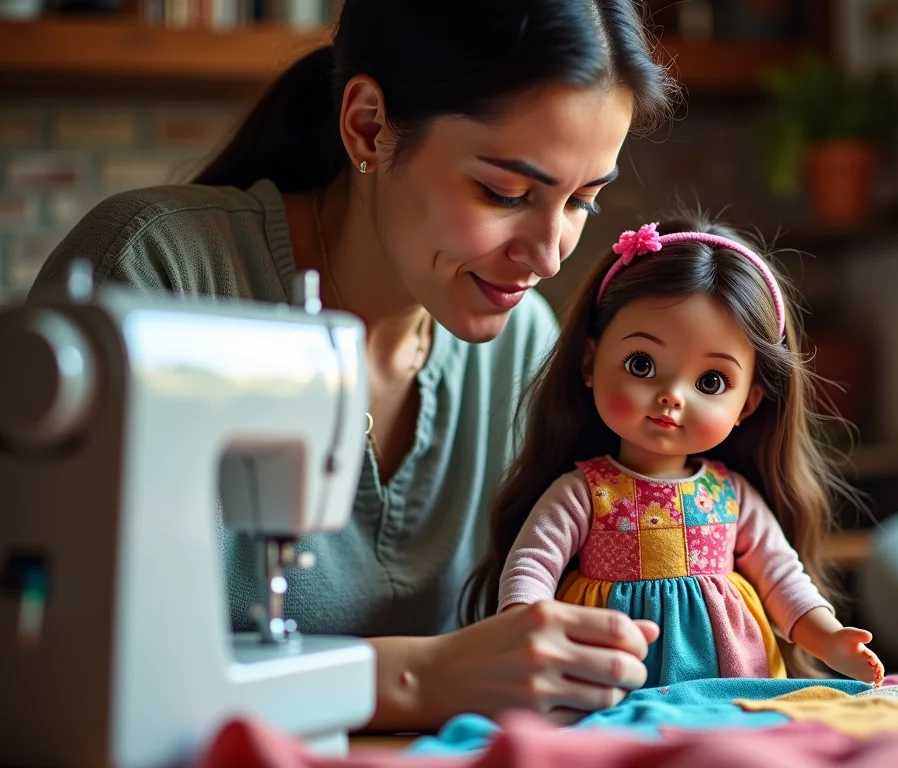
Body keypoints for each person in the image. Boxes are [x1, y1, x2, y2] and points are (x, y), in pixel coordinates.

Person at [29, 1, 678, 731]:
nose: (550, 252)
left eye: (583, 203)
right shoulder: (152, 274)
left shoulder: (521, 346)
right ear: (368, 126)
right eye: (505, 194)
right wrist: (417, 678)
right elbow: (70, 672)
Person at [463, 214, 885, 687]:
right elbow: (532, 564)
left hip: (730, 679)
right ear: (589, 362)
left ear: (748, 402)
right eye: (641, 364)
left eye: (711, 381)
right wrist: (523, 627)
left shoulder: (733, 496)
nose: (673, 396)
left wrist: (828, 639)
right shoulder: (584, 492)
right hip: (607, 671)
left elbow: (783, 577)